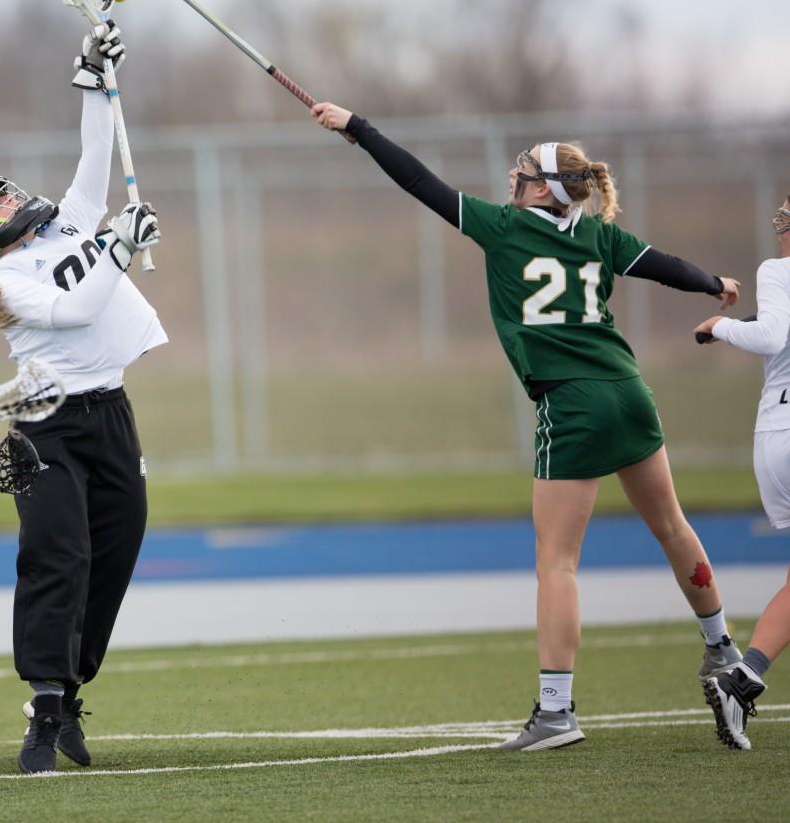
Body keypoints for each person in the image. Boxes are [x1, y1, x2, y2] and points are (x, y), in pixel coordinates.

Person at [312, 102, 743, 751]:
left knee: (557, 563)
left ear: (542, 188)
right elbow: (668, 268)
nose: (511, 181)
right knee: (673, 526)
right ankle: (722, 649)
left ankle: (556, 713)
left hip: (571, 405)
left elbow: (417, 181)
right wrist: (716, 283)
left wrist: (358, 128)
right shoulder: (601, 235)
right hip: (629, 393)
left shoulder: (505, 227)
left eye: (522, 174)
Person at [0, 22, 166, 774]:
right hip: (47, 424)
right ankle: (41, 708)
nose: (12, 205)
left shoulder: (61, 227)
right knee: (56, 555)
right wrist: (121, 247)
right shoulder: (4, 280)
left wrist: (95, 82)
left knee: (118, 546)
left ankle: (69, 693)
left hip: (110, 413)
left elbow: (94, 163)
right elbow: (77, 310)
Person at [693, 197, 790, 750]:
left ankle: (742, 678)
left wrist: (723, 327)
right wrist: (729, 326)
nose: (780, 225)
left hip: (772, 436)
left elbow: (772, 331)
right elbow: (774, 333)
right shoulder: (778, 270)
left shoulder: (779, 271)